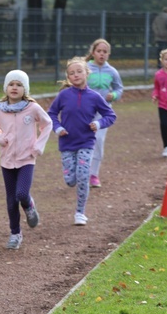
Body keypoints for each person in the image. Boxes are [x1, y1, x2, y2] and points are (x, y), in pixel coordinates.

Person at [47, 57, 117, 226]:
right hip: (67, 143)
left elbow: (110, 115)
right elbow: (51, 114)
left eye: (79, 71)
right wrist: (57, 128)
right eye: (72, 73)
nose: (76, 75)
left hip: (86, 142)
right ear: (68, 77)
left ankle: (80, 212)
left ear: (87, 73)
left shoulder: (94, 97)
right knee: (71, 180)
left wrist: (98, 123)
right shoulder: (63, 95)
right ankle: (71, 178)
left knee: (83, 176)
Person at [0, 70, 52, 250]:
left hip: (27, 158)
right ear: (6, 88)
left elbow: (47, 124)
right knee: (11, 200)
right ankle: (15, 233)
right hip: (7, 160)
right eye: (11, 84)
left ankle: (29, 206)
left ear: (25, 89)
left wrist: (39, 145)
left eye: (19, 85)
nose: (14, 88)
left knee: (22, 194)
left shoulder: (32, 108)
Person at [85, 38, 123, 188]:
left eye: (105, 52)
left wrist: (113, 95)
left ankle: (94, 174)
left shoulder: (112, 71)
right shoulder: (85, 68)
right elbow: (75, 83)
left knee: (98, 141)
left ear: (109, 54)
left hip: (103, 113)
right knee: (84, 140)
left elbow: (119, 88)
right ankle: (82, 171)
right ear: (93, 52)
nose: (102, 54)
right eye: (99, 51)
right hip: (86, 111)